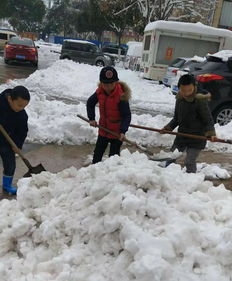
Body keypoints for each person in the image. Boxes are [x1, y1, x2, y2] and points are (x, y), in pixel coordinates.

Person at [162, 74, 217, 173]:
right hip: (182, 135)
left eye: (189, 90)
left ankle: (191, 180)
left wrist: (211, 133)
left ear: (195, 87)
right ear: (179, 88)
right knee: (170, 157)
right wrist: (168, 127)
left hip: (197, 138)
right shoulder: (179, 99)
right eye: (183, 91)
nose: (186, 93)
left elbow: (208, 119)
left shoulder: (200, 100)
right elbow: (176, 118)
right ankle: (166, 177)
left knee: (189, 161)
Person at [87, 66, 131, 164]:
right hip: (103, 130)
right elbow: (90, 103)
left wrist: (123, 131)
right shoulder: (99, 92)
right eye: (105, 84)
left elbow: (126, 115)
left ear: (116, 82)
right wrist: (91, 118)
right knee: (97, 156)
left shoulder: (121, 96)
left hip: (117, 133)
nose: (108, 87)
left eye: (111, 83)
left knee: (113, 159)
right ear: (101, 83)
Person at [0, 86, 30, 194]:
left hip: (7, 142)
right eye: (19, 105)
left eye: (24, 106)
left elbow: (22, 132)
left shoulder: (22, 115)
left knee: (10, 164)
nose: (21, 108)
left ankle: (7, 185)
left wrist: (17, 145)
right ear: (9, 99)